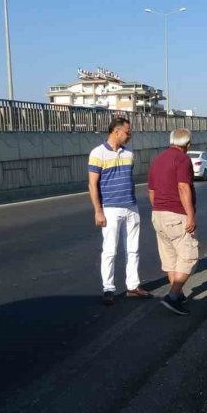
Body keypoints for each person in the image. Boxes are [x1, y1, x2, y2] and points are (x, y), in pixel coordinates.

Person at [88, 117, 152, 305]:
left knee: (133, 249)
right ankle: (108, 288)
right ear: (116, 132)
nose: (129, 136)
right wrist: (98, 211)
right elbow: (92, 184)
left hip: (131, 206)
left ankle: (133, 286)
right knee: (110, 250)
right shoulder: (98, 153)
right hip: (110, 208)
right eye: (127, 132)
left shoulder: (129, 152)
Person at [148, 128, 199, 316]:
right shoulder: (183, 159)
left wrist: (159, 209)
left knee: (170, 258)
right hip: (176, 215)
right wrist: (191, 215)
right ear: (187, 144)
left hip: (158, 214)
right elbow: (183, 187)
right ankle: (172, 297)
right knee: (189, 257)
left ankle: (178, 295)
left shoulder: (157, 159)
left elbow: (151, 191)